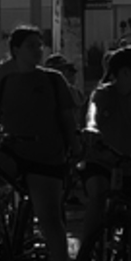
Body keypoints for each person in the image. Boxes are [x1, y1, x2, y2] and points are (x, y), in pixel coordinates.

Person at [0, 25, 80, 261]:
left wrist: (76, 152)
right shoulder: (5, 78)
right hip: (13, 150)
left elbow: (68, 120)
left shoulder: (53, 79)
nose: (38, 49)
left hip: (47, 154)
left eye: (39, 45)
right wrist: (4, 70)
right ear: (16, 50)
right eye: (31, 45)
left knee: (48, 217)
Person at [81, 45, 131, 239]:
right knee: (99, 194)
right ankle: (86, 254)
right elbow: (92, 113)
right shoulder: (103, 93)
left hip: (129, 162)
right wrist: (92, 128)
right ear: (125, 73)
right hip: (100, 161)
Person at [45, 53, 87, 205]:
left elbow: (79, 111)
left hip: (69, 135)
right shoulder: (45, 89)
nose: (67, 75)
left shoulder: (72, 91)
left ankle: (70, 194)